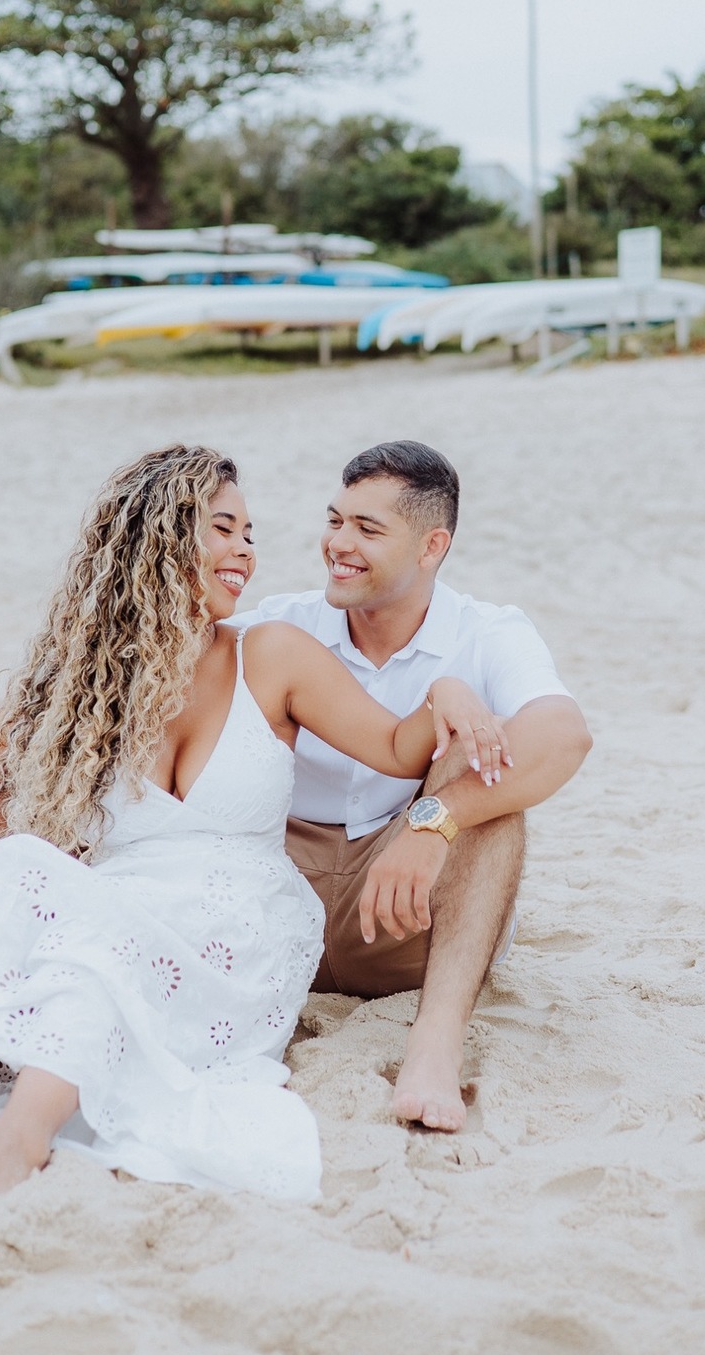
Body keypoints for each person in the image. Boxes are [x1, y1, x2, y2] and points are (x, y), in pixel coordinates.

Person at [0, 445, 508, 1209]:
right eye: (223, 529)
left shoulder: (272, 654)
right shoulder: (86, 675)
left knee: (93, 962)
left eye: (250, 533)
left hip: (235, 926)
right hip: (119, 901)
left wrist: (445, 690)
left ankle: (18, 1145)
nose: (246, 551)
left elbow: (392, 745)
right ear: (160, 537)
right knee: (17, 872)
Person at [240, 440, 592, 1134]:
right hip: (279, 894)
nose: (338, 544)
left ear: (432, 546)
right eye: (335, 520)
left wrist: (432, 821)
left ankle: (434, 1042)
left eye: (367, 530)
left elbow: (565, 735)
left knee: (485, 760)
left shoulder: (486, 632)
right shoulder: (280, 625)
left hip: (404, 909)